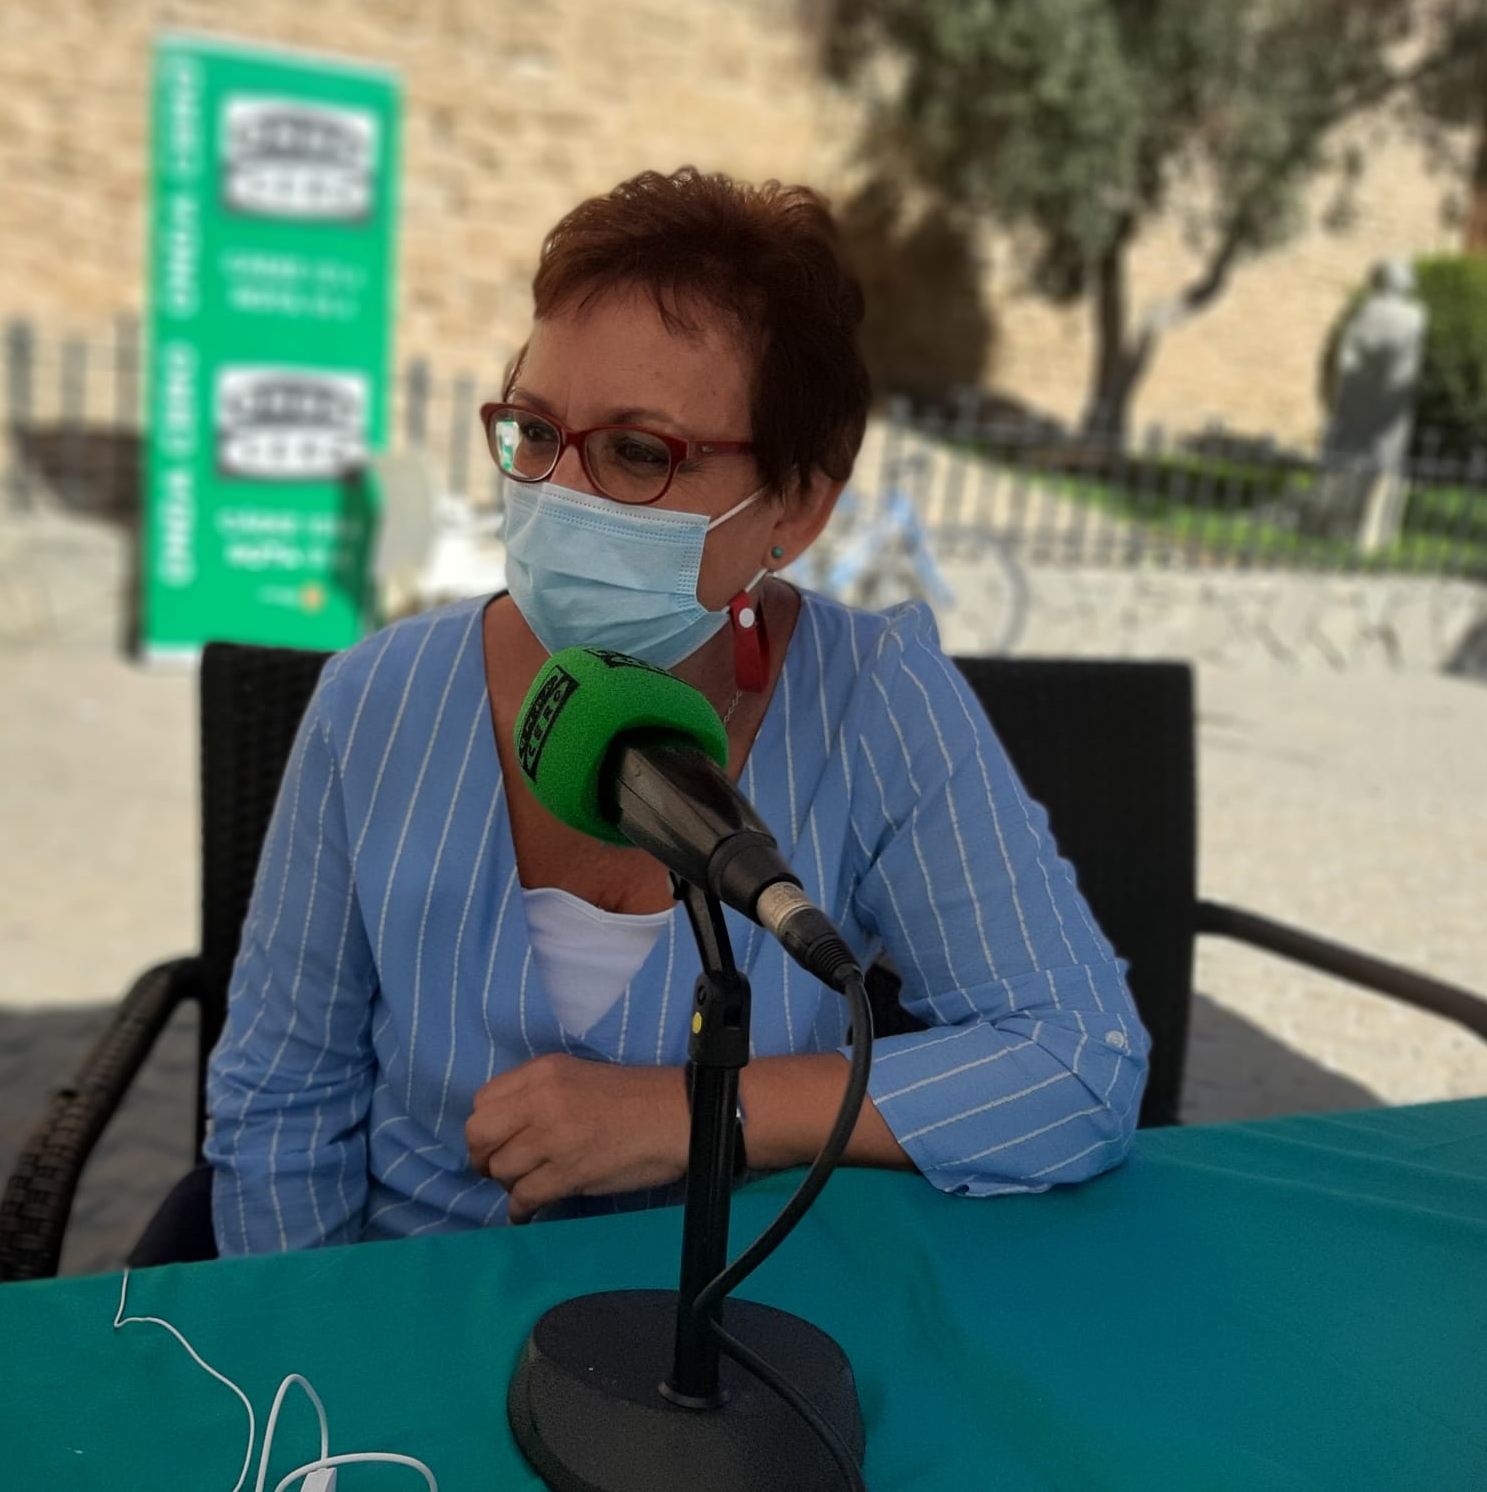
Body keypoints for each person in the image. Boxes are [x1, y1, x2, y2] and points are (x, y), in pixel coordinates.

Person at [202, 168, 1146, 1255]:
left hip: (743, 1325)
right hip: (418, 1312)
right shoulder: (374, 703)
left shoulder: (872, 704)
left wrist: (704, 1112)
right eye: (536, 432)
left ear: (795, 506)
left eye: (640, 453)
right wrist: (316, 1377)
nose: (561, 493)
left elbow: (1078, 1064)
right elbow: (280, 1108)